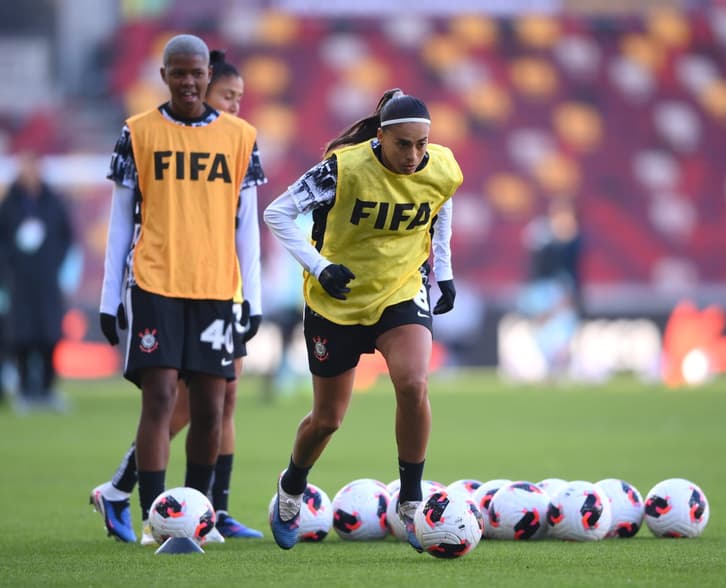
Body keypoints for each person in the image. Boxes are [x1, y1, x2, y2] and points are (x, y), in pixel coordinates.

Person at [263, 88, 462, 552]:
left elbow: (442, 205)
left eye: (422, 144)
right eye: (404, 144)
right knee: (328, 420)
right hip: (338, 299)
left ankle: (411, 501)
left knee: (413, 383)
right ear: (381, 137)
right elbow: (278, 213)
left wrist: (444, 271)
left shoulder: (442, 166)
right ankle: (292, 486)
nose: (415, 155)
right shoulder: (343, 168)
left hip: (399, 290)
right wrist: (319, 267)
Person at [92, 36, 265, 545]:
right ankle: (155, 520)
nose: (189, 82)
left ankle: (197, 517)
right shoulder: (138, 133)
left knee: (212, 407)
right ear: (164, 75)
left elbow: (248, 225)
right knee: (161, 397)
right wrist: (108, 300)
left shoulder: (240, 136)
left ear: (208, 77)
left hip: (214, 287)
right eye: (179, 73)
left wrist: (250, 297)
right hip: (155, 284)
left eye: (197, 74)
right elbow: (121, 220)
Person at [0, 151, 74, 412]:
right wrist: (9, 266)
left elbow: (67, 237)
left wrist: (54, 263)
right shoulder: (9, 204)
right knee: (21, 336)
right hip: (19, 282)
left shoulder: (54, 202)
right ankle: (24, 390)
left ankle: (46, 390)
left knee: (49, 335)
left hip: (47, 281)